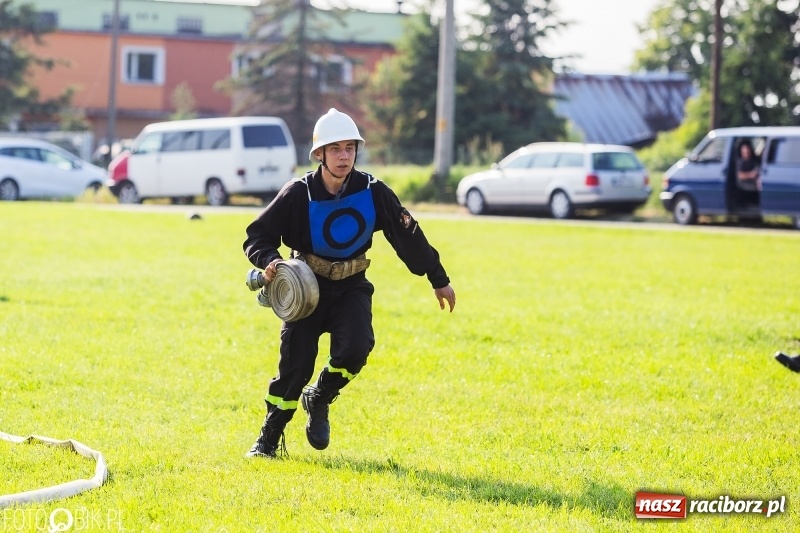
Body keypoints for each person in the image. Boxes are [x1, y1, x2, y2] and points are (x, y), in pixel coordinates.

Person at [242, 108, 456, 458]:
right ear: (320, 155)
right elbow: (257, 236)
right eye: (335, 149)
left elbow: (409, 237)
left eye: (350, 148)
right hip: (305, 291)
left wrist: (438, 278)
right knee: (295, 367)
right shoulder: (298, 193)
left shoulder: (373, 191)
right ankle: (268, 439)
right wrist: (270, 261)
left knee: (356, 348)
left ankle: (321, 395)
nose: (344, 156)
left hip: (352, 286)